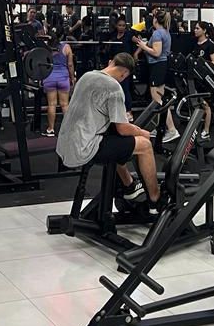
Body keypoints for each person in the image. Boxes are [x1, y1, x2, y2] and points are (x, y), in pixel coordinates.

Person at [55, 53, 162, 213]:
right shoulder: (113, 87)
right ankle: (155, 200)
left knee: (118, 142)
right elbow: (123, 128)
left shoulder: (87, 76)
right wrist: (142, 132)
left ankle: (129, 186)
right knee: (144, 145)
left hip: (65, 145)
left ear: (111, 62)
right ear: (124, 73)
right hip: (84, 148)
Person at [134, 10, 175, 143]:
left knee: (157, 99)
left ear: (155, 20)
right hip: (161, 65)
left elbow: (157, 52)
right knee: (160, 98)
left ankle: (172, 129)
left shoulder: (157, 33)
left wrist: (142, 46)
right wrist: (143, 43)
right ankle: (161, 127)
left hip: (158, 66)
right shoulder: (165, 32)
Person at [41, 26, 75, 136]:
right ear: (61, 36)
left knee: (51, 105)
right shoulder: (66, 47)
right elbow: (70, 65)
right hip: (63, 78)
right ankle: (69, 129)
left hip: (49, 78)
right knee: (65, 105)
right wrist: (72, 77)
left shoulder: (45, 48)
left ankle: (51, 129)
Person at [192, 21, 214, 141]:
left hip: (205, 80)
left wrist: (203, 65)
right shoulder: (195, 44)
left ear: (204, 30)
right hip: (195, 78)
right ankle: (195, 129)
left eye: (197, 28)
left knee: (205, 105)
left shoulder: (210, 45)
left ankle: (206, 131)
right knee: (197, 104)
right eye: (195, 28)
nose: (195, 30)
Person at [111, 14, 135, 116]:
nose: (121, 27)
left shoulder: (129, 35)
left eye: (123, 25)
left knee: (125, 88)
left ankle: (129, 111)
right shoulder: (113, 36)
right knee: (116, 88)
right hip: (116, 65)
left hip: (126, 65)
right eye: (120, 25)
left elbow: (140, 43)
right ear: (116, 26)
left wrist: (136, 54)